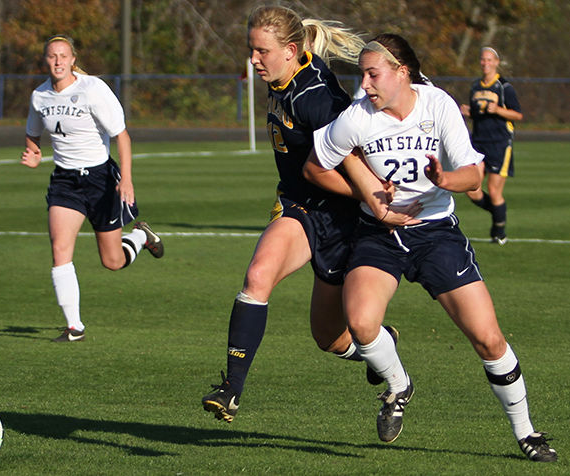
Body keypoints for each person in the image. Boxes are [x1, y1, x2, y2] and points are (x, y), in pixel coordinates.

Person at [304, 34, 556, 462]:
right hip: (378, 235)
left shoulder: (436, 104)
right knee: (362, 324)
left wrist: (444, 180)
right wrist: (367, 197)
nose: (364, 84)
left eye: (373, 74)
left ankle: (527, 432)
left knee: (488, 340)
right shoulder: (357, 117)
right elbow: (314, 168)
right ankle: (399, 385)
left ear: (402, 72)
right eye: (362, 74)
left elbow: (473, 176)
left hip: (436, 233)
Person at [202, 6, 415, 424]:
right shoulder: (285, 73)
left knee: (330, 338)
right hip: (299, 209)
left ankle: (387, 356)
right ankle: (231, 389)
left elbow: (350, 161)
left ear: (290, 50)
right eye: (252, 49)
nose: (253, 59)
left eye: (261, 51)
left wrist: (371, 197)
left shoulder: (317, 98)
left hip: (341, 222)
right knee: (258, 276)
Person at [21, 34, 164, 342]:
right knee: (60, 249)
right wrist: (33, 153)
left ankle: (140, 236)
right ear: (45, 60)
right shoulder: (40, 96)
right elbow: (33, 133)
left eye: (63, 55)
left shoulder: (92, 89)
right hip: (65, 181)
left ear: (73, 59)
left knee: (112, 261)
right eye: (51, 56)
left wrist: (125, 179)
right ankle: (75, 327)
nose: (57, 61)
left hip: (100, 179)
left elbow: (121, 136)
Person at [460, 47, 523, 245]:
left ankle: (499, 232)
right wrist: (470, 112)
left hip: (500, 143)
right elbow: (480, 115)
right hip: (478, 143)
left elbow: (518, 115)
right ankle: (498, 211)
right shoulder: (475, 87)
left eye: (489, 60)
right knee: (471, 189)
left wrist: (498, 110)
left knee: (494, 191)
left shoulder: (504, 87)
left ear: (496, 62)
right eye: (483, 60)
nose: (485, 63)